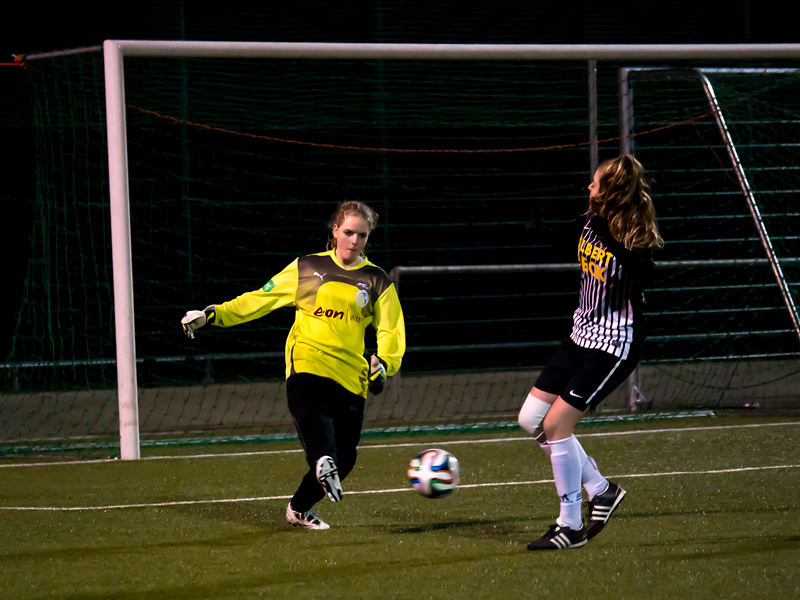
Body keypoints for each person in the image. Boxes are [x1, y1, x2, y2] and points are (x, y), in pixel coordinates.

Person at [180, 200, 405, 530]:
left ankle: (299, 508)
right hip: (307, 363)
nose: (354, 241)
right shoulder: (307, 268)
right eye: (348, 233)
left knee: (347, 457)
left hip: (350, 376)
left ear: (368, 237)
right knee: (315, 418)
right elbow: (260, 299)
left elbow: (391, 329)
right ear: (334, 231)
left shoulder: (376, 280)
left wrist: (384, 363)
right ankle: (323, 461)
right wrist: (214, 314)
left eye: (362, 235)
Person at [518, 155, 664, 550]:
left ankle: (570, 525)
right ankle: (601, 489)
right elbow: (573, 239)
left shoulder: (634, 229)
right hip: (580, 335)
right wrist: (540, 231)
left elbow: (645, 272)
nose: (590, 187)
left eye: (596, 183)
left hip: (614, 343)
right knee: (531, 418)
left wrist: (611, 237)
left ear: (612, 190)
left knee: (557, 426)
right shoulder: (590, 219)